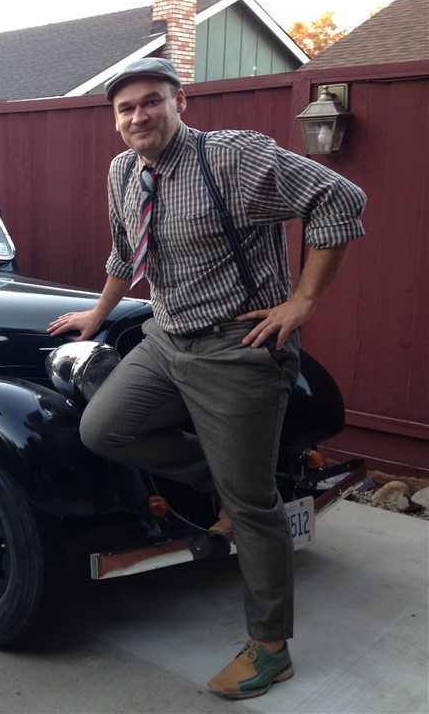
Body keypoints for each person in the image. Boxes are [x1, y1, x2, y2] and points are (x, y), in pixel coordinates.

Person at [48, 58, 366, 699]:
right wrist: (97, 315)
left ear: (180, 102)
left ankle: (271, 648)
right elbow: (124, 252)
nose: (138, 116)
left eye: (151, 101)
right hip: (166, 340)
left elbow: (340, 198)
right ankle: (216, 484)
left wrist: (302, 303)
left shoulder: (232, 158)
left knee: (254, 503)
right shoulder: (123, 171)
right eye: (125, 108)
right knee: (103, 428)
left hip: (237, 350)